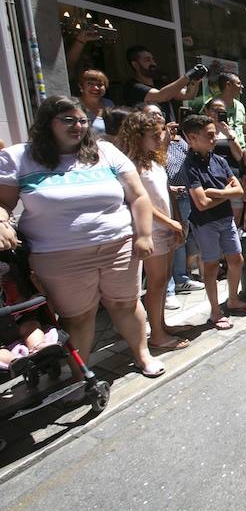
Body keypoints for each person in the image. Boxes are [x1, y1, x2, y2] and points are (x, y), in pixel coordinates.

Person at [0, 96, 164, 378]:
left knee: (126, 304)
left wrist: (144, 235)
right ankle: (80, 376)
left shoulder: (106, 151)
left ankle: (142, 355)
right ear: (46, 123)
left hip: (119, 246)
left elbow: (138, 196)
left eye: (82, 120)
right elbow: (3, 203)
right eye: (67, 120)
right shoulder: (19, 157)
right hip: (58, 256)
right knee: (78, 317)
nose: (77, 126)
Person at [119, 107, 190, 350]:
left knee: (164, 278)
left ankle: (162, 324)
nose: (161, 138)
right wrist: (170, 222)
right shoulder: (133, 165)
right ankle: (157, 334)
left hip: (167, 227)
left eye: (160, 133)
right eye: (155, 135)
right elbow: (140, 202)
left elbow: (163, 194)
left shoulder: (154, 160)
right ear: (138, 137)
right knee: (157, 282)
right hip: (152, 230)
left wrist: (176, 221)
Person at [181, 114, 246, 330]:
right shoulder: (190, 166)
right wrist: (226, 193)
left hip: (226, 219)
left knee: (237, 260)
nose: (215, 139)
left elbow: (240, 191)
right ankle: (215, 311)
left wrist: (215, 192)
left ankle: (233, 299)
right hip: (205, 223)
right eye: (210, 135)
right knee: (211, 266)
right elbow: (202, 204)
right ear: (193, 138)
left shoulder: (219, 160)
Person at [165, 119, 205, 302]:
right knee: (168, 242)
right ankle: (168, 290)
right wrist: (165, 139)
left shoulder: (180, 142)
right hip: (167, 198)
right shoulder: (156, 145)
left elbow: (191, 157)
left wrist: (180, 138)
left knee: (182, 237)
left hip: (185, 194)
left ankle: (181, 278)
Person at [122, 45, 205, 122]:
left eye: (153, 59)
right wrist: (188, 76)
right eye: (147, 60)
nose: (153, 63)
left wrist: (195, 80)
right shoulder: (133, 87)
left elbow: (188, 95)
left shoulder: (160, 84)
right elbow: (161, 96)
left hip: (170, 134)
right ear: (135, 65)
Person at [204, 98, 245, 221]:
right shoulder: (202, 131)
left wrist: (229, 136)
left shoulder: (229, 131)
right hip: (211, 178)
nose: (217, 113)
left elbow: (239, 156)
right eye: (214, 110)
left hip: (231, 177)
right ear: (206, 111)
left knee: (234, 219)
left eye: (221, 111)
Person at [77, 69, 113, 134]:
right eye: (90, 84)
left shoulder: (109, 104)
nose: (96, 88)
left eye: (100, 84)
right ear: (81, 86)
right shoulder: (75, 105)